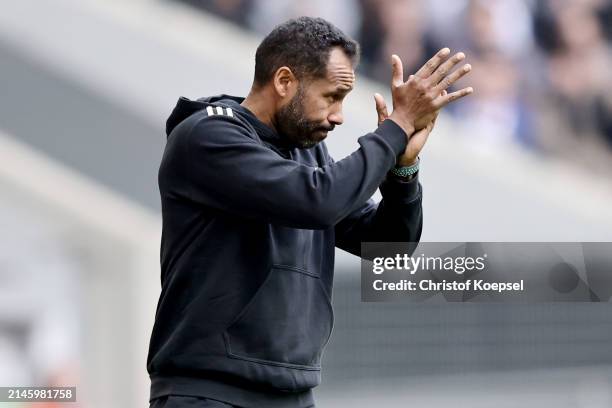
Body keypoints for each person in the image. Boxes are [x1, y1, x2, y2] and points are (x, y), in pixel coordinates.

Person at [147, 16, 472, 408]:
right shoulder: (207, 137)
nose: (338, 116)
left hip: (295, 395)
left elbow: (388, 248)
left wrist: (402, 171)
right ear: (284, 81)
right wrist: (396, 126)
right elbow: (319, 201)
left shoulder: (307, 152)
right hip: (210, 394)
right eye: (331, 96)